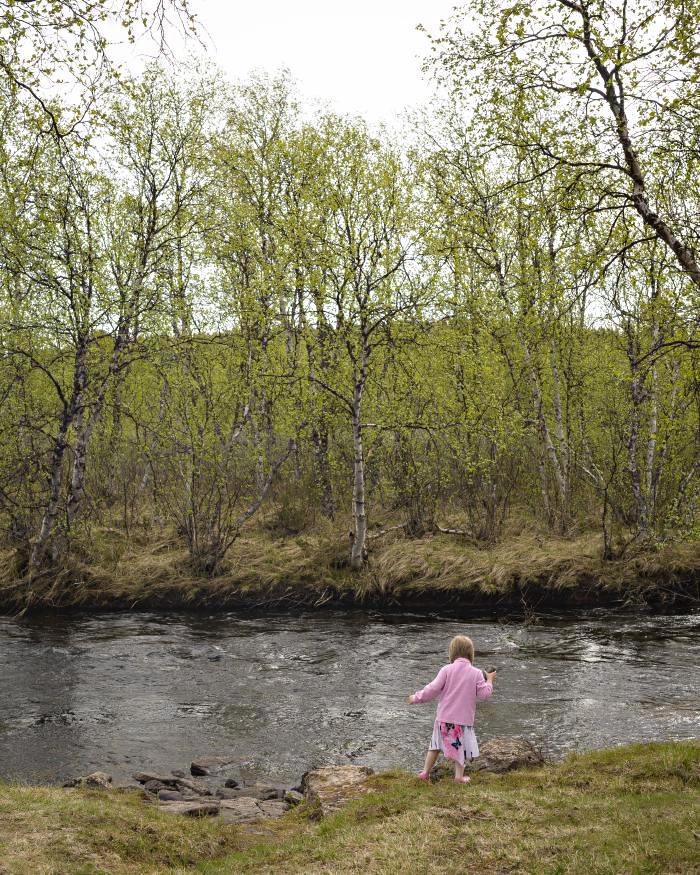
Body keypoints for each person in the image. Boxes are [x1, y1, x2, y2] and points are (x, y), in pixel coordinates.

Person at [407, 634, 495, 784]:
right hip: (463, 720)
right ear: (471, 653)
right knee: (461, 748)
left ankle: (425, 772)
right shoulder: (476, 673)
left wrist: (416, 697)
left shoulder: (446, 670)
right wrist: (490, 680)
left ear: (452, 652)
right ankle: (459, 777)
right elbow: (484, 695)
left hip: (443, 718)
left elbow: (432, 689)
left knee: (435, 745)